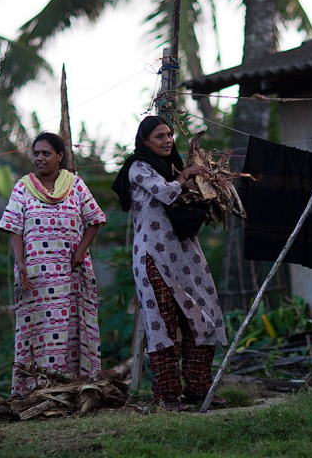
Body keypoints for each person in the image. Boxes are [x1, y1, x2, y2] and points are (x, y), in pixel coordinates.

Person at [112, 116, 228, 410]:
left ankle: (198, 389)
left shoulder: (175, 167)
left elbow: (194, 196)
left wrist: (205, 184)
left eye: (169, 135)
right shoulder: (138, 167)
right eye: (159, 136)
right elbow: (165, 192)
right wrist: (185, 175)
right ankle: (166, 395)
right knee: (162, 321)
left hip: (186, 253)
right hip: (153, 255)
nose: (167, 141)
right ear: (145, 142)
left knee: (203, 314)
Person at [0, 132, 106, 395]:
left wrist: (80, 251)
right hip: (35, 278)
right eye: (36, 153)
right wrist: (21, 265)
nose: (39, 158)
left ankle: (74, 388)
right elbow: (14, 229)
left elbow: (95, 219)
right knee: (38, 332)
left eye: (46, 153)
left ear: (60, 156)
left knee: (70, 331)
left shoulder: (76, 185)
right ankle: (35, 390)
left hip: (71, 275)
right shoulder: (23, 187)